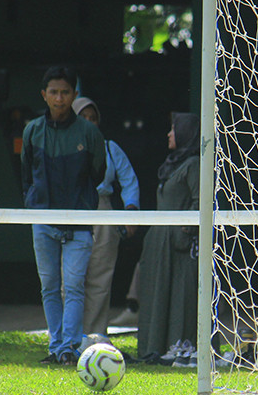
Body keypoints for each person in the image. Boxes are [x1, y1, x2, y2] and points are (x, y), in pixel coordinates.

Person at [21, 66, 106, 366]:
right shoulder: (32, 131)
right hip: (42, 218)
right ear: (44, 95)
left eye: (65, 92)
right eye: (54, 92)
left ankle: (69, 347)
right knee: (48, 286)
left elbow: (98, 172)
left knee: (73, 285)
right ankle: (56, 345)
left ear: (74, 95)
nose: (59, 98)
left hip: (79, 219)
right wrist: (35, 204)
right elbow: (26, 174)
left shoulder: (89, 133)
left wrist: (80, 200)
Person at [71, 96, 141, 337]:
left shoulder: (110, 147)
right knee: (70, 278)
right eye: (84, 118)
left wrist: (130, 210)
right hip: (71, 211)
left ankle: (95, 335)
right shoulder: (63, 144)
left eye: (93, 118)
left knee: (100, 277)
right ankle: (68, 339)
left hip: (102, 212)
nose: (89, 123)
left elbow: (129, 180)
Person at [137, 112, 201, 364]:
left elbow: (198, 202)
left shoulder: (194, 163)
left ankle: (180, 347)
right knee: (157, 292)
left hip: (179, 244)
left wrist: (184, 232)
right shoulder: (174, 163)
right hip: (158, 241)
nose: (169, 134)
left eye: (174, 129)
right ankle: (154, 346)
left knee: (180, 294)